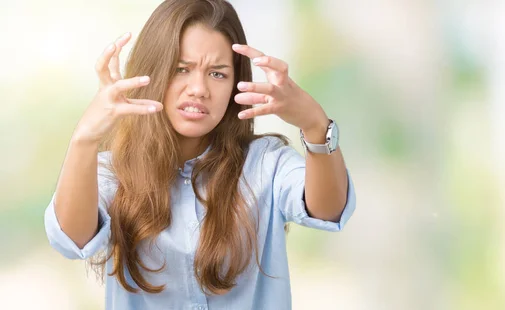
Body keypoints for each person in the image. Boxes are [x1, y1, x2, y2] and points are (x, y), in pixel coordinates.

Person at [44, 0, 356, 309]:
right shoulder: (113, 171)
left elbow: (328, 210)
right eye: (182, 69)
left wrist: (315, 124)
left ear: (236, 84)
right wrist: (84, 138)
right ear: (153, 71)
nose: (198, 89)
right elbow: (72, 239)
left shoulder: (265, 163)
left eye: (218, 74)